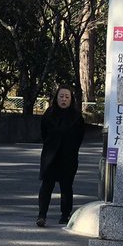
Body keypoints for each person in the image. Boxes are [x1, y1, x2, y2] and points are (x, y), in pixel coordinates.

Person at [37, 84, 86, 227]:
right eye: (61, 96)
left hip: (68, 157)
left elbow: (79, 137)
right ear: (56, 98)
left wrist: (70, 149)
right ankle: (42, 215)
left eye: (67, 97)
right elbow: (43, 133)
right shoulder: (49, 113)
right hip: (50, 156)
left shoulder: (77, 117)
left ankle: (65, 215)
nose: (64, 99)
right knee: (47, 186)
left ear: (71, 99)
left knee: (66, 187)